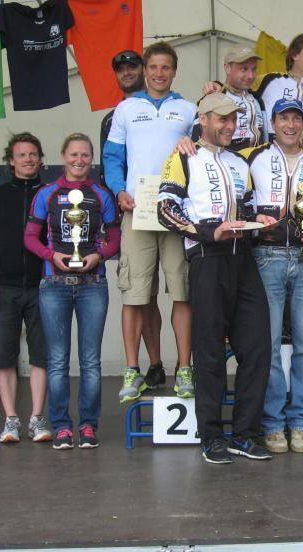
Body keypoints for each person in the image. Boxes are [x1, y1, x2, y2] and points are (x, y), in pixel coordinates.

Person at [158, 92, 273, 463]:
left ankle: (245, 434)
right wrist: (208, 232)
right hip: (208, 258)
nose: (230, 125)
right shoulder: (183, 156)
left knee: (257, 347)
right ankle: (211, 436)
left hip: (244, 260)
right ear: (203, 120)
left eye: (233, 119)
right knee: (208, 351)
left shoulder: (240, 161)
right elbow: (165, 209)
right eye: (222, 119)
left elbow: (248, 207)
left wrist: (259, 220)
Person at [103, 41, 196, 403]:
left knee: (182, 292)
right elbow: (113, 156)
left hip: (177, 211)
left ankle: (184, 368)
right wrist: (117, 190)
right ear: (145, 70)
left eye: (165, 67)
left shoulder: (188, 110)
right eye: (153, 67)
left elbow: (201, 156)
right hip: (137, 209)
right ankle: (132, 369)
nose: (159, 73)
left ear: (174, 71)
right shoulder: (126, 108)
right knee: (135, 294)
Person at [243, 98, 303, 454]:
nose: (291, 125)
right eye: (284, 118)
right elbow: (240, 202)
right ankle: (272, 424)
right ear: (273, 122)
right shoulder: (252, 157)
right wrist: (255, 219)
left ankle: (301, 423)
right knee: (267, 345)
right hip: (266, 256)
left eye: (297, 118)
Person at [24, 133, 119, 449]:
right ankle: (62, 426)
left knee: (91, 361)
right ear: (63, 156)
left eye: (85, 155)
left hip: (93, 285)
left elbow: (115, 238)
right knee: (57, 360)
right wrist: (51, 256)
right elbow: (30, 237)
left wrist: (99, 256)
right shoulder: (46, 193)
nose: (80, 160)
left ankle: (89, 426)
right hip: (54, 285)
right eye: (74, 154)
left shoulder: (101, 194)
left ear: (92, 159)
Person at [0, 133, 52, 443]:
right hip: (2, 287)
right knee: (3, 356)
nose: (28, 159)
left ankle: (37, 418)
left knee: (42, 355)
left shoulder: (51, 194)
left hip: (44, 286)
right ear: (11, 161)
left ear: (40, 159)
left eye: (33, 154)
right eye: (22, 155)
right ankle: (10, 420)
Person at [99, 49, 165, 392]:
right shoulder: (115, 116)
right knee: (139, 293)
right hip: (132, 209)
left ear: (144, 69)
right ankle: (140, 366)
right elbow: (110, 165)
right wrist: (116, 203)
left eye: (132, 67)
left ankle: (157, 363)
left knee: (169, 293)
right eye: (120, 69)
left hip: (167, 209)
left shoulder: (172, 107)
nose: (126, 73)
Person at [254, 33, 303, 147]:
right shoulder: (268, 80)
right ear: (295, 54)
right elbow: (235, 91)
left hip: (302, 157)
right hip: (266, 155)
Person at [193, 44, 264, 152]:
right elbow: (198, 139)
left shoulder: (257, 98)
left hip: (258, 160)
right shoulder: (214, 98)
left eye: (254, 69)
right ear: (227, 68)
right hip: (229, 161)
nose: (251, 75)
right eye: (244, 69)